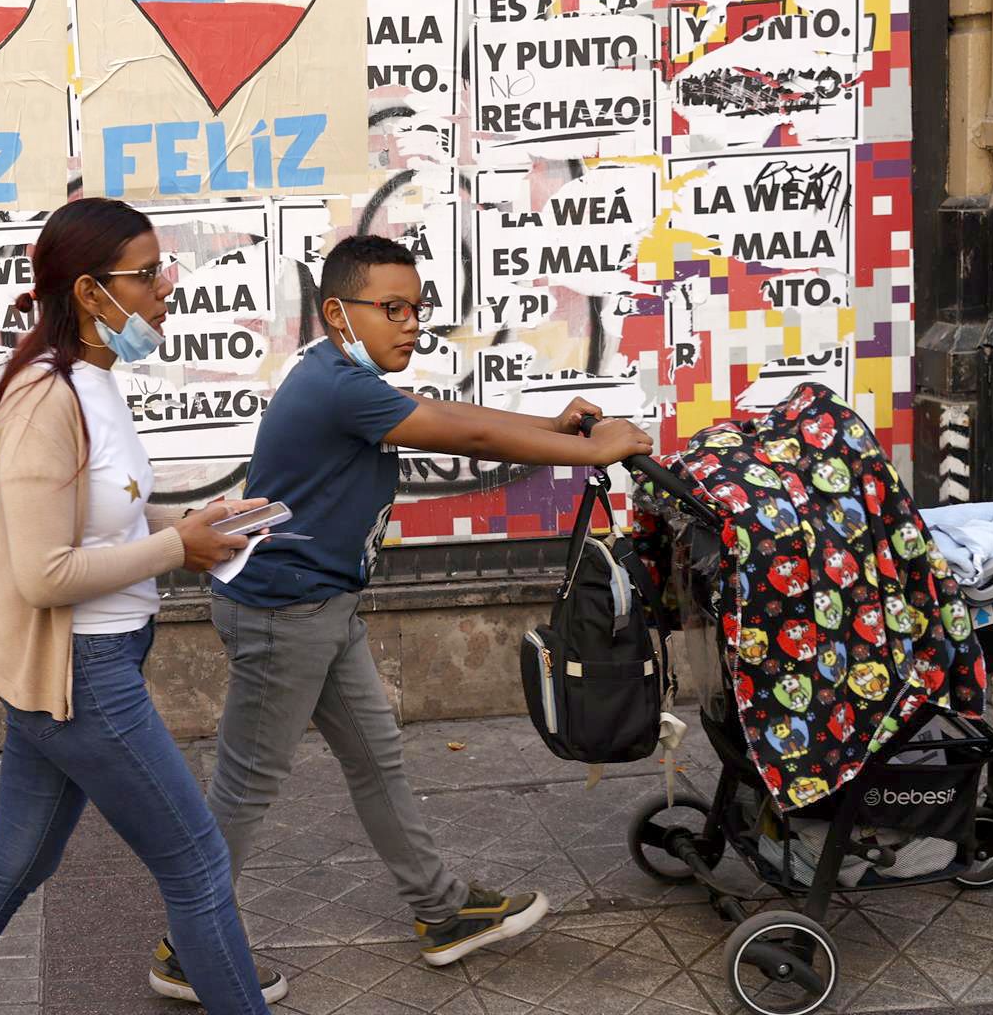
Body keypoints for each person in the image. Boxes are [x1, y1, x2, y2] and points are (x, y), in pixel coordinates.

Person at [149, 233, 655, 995]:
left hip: (321, 608)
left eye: (417, 308)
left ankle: (444, 911)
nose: (411, 323)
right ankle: (187, 950)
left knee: (376, 758)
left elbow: (441, 411)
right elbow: (467, 434)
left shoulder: (343, 376)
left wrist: (552, 428)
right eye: (390, 308)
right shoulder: (337, 387)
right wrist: (591, 452)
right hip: (284, 614)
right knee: (248, 784)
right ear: (337, 313)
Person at [0, 197, 287, 1015]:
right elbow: (44, 573)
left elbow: (99, 515)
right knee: (198, 866)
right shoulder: (46, 398)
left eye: (160, 271)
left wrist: (182, 524)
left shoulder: (96, 380)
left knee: (17, 862)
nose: (164, 290)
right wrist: (178, 550)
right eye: (144, 276)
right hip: (83, 677)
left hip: (93, 667)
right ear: (88, 292)